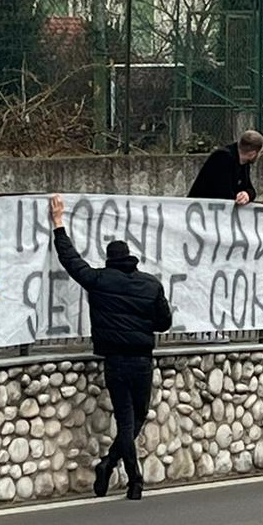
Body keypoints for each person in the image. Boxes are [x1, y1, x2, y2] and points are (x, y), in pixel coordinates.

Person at [49, 194, 173, 501]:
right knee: (138, 416)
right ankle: (134, 479)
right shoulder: (151, 285)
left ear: (109, 259)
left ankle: (110, 465)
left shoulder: (100, 280)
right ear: (131, 258)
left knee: (127, 418)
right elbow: (164, 323)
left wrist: (58, 224)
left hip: (115, 361)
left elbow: (71, 260)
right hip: (142, 360)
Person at [187, 130, 263, 205]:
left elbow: (249, 188)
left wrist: (247, 194)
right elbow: (223, 193)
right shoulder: (223, 157)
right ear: (253, 153)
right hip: (202, 209)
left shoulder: (244, 163)